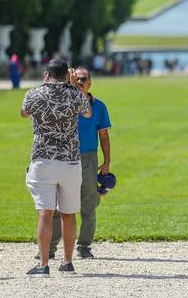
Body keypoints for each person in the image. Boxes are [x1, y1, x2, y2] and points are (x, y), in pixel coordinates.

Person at [21, 58, 92, 277]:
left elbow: (24, 112)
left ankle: (43, 265)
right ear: (66, 74)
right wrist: (72, 86)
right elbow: (87, 112)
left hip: (43, 159)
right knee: (69, 214)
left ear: (47, 73)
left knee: (45, 213)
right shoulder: (73, 95)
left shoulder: (35, 93)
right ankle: (68, 262)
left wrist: (44, 85)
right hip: (69, 161)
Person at [45, 67, 112, 259]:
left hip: (88, 158)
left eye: (84, 79)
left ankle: (84, 246)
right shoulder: (64, 103)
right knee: (57, 204)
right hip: (63, 156)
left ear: (90, 83)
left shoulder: (99, 106)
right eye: (77, 79)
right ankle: (50, 248)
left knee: (89, 203)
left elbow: (104, 136)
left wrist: (107, 162)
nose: (80, 82)